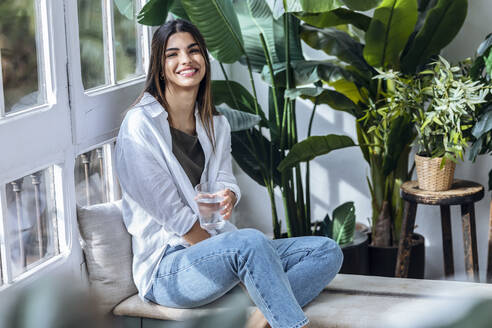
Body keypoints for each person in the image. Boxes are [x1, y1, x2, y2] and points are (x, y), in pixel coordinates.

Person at [114, 19, 343, 328]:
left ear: (204, 60)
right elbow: (176, 219)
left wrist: (229, 194)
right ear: (159, 67)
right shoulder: (140, 125)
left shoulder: (214, 122)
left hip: (220, 250)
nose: (186, 60)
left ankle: (259, 317)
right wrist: (234, 260)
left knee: (326, 251)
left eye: (194, 51)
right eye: (173, 54)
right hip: (168, 267)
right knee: (250, 243)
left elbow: (224, 178)